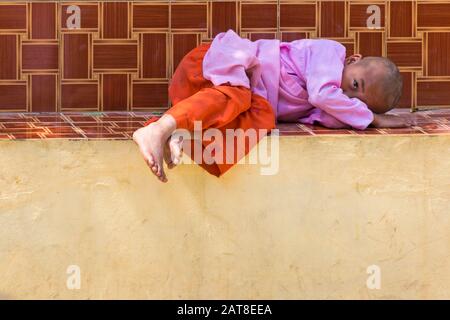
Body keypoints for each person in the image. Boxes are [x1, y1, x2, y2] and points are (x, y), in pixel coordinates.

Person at [133, 29, 414, 182]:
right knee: (240, 96)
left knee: (262, 117)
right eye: (354, 85)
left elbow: (328, 111)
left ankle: (179, 133)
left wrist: (354, 115)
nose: (345, 96)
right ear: (353, 60)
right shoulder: (329, 53)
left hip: (203, 103)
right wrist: (372, 119)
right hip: (210, 67)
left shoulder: (332, 104)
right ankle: (161, 128)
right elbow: (321, 95)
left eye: (356, 101)